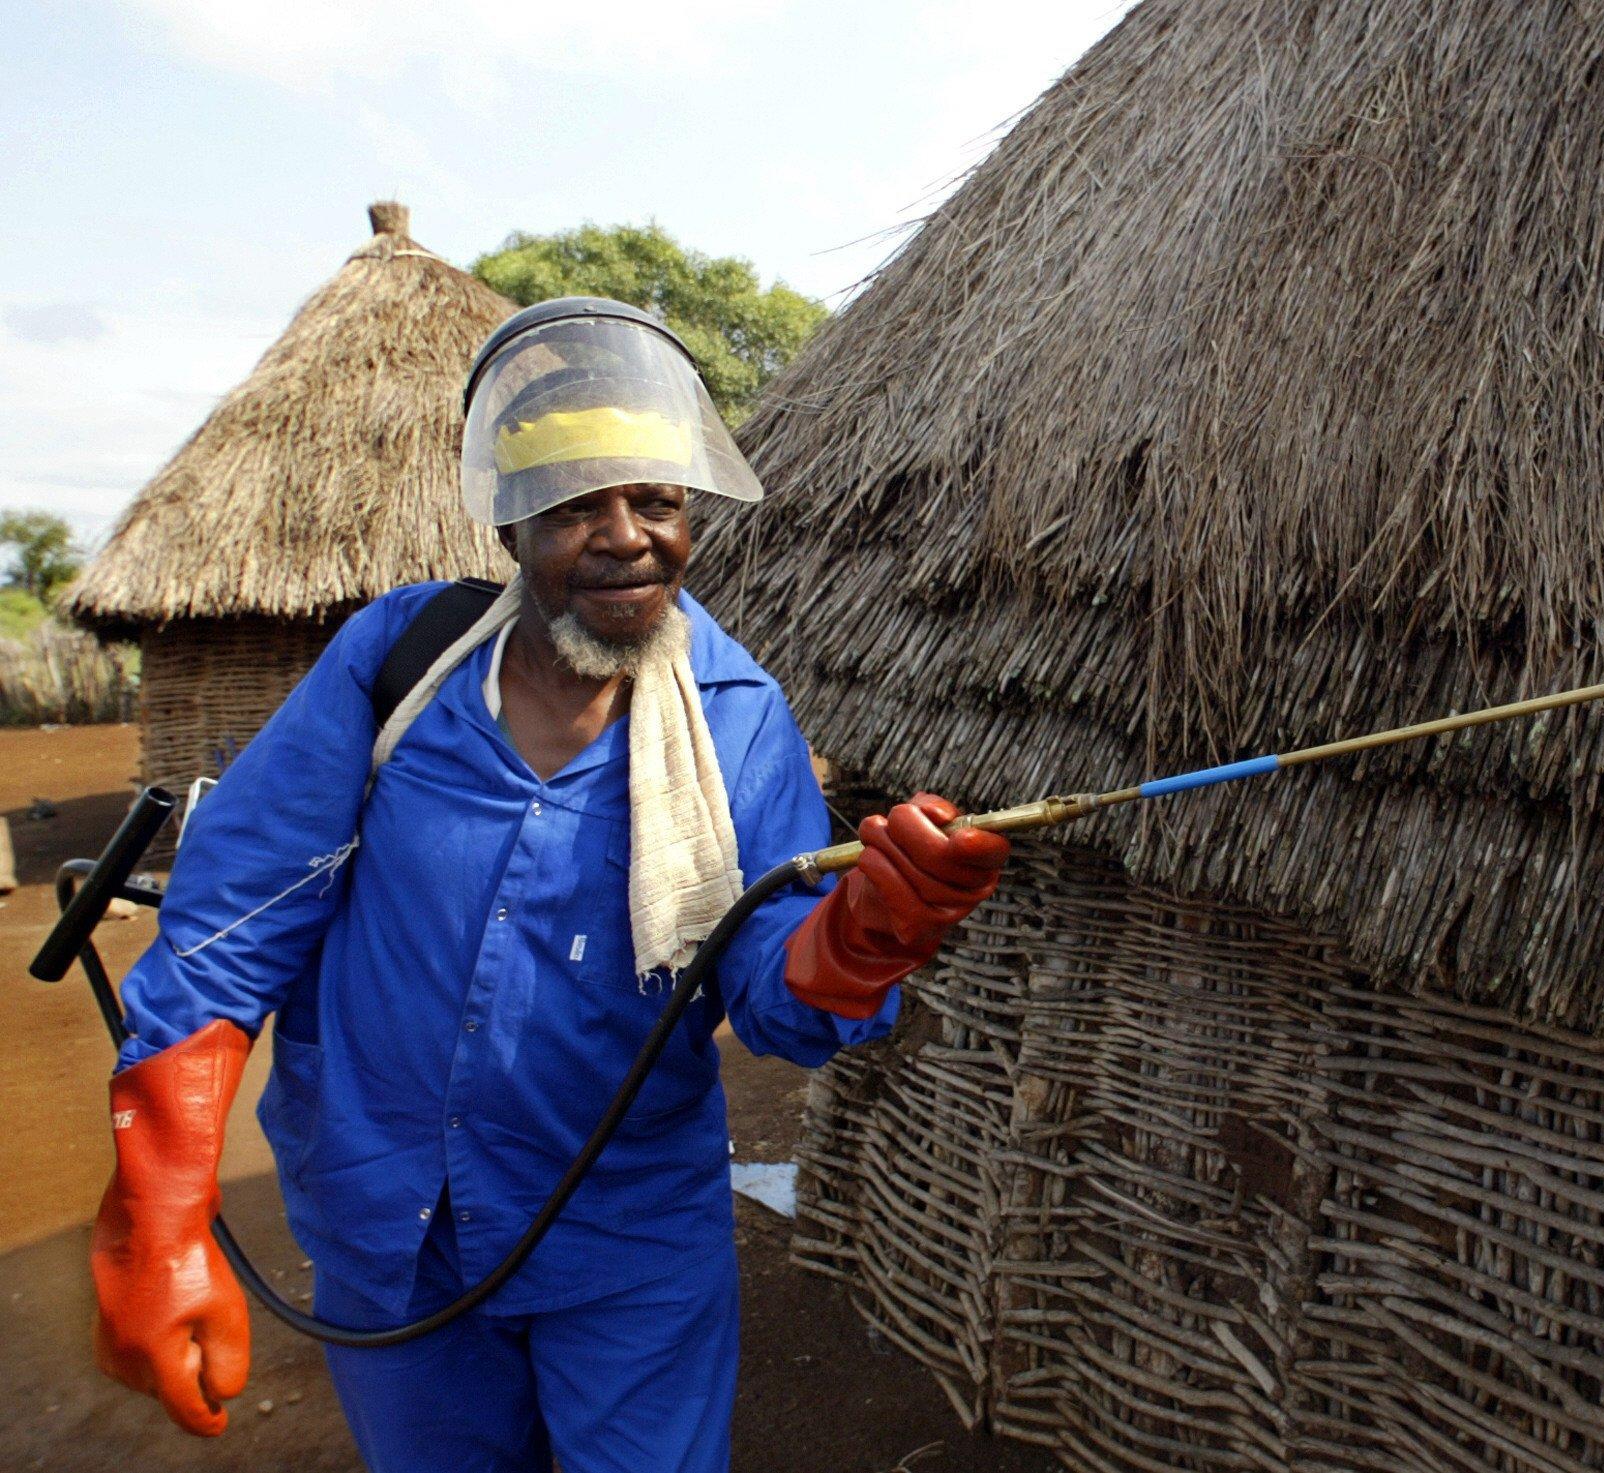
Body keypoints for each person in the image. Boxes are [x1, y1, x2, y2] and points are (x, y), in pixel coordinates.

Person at [87, 297, 1009, 1471]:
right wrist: (156, 1212)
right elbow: (235, 928)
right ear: (513, 523)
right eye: (578, 504)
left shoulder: (736, 720)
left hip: (625, 1250)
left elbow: (773, 1000)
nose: (627, 537)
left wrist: (872, 928)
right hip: (391, 1233)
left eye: (658, 500)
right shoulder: (397, 667)